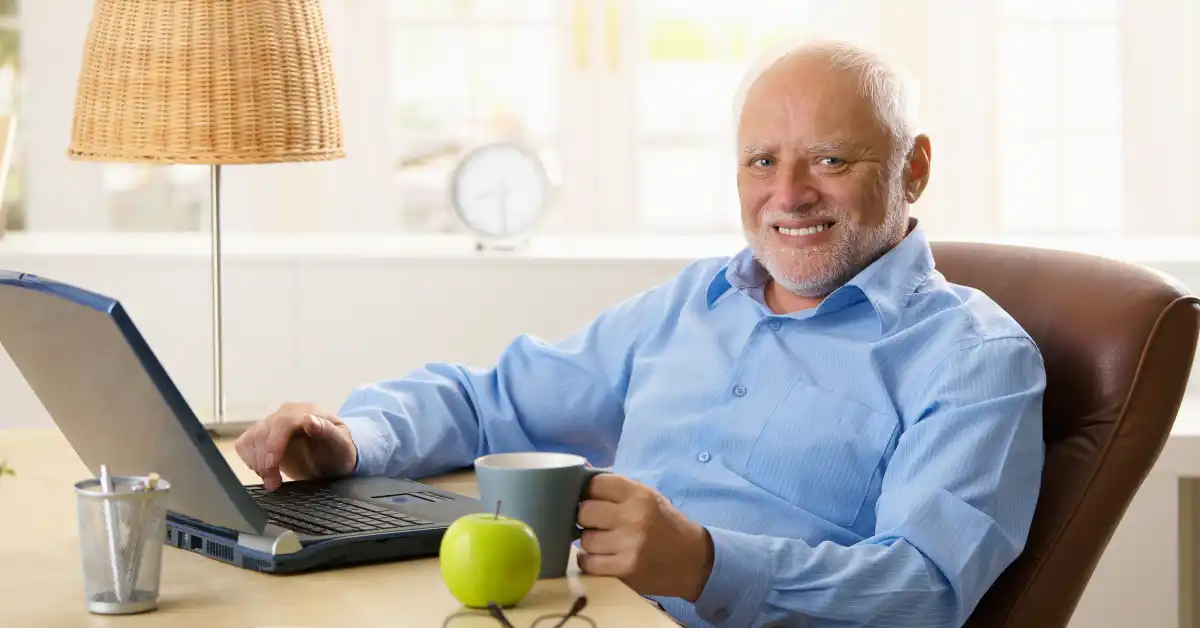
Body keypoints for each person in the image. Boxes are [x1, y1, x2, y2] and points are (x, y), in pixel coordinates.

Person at [235, 39, 1046, 628]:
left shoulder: (976, 361)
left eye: (830, 159)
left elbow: (926, 589)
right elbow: (490, 404)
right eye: (762, 161)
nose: (788, 194)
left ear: (915, 168)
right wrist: (354, 439)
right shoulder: (697, 301)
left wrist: (705, 563)